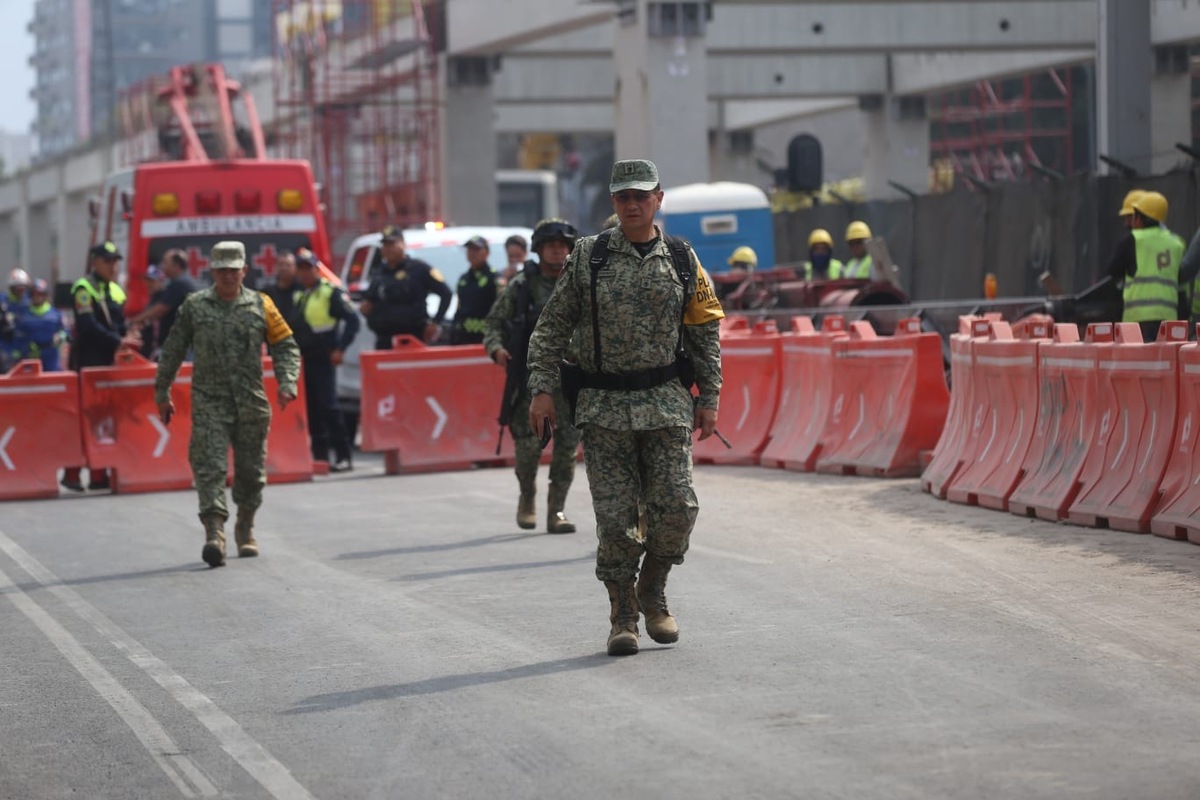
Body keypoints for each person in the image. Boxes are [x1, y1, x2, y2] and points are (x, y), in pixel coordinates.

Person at [527, 159, 724, 657]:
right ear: (613, 203)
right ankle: (623, 616)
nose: (632, 204)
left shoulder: (682, 258)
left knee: (677, 508)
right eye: (622, 197)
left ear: (659, 197)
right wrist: (542, 388)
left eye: (641, 195)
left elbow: (704, 331)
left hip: (666, 405)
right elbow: (551, 327)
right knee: (616, 522)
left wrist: (711, 397)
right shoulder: (588, 257)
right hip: (605, 407)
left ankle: (653, 590)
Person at [154, 241, 301, 568]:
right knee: (209, 468)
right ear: (213, 271)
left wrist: (287, 381)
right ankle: (214, 533)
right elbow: (174, 350)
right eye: (222, 270)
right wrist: (162, 392)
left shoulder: (261, 305)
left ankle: (245, 525)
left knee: (250, 474)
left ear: (244, 271)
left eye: (234, 269)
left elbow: (286, 345)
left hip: (251, 403)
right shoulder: (194, 306)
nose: (228, 276)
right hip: (210, 402)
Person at [484, 218, 583, 534]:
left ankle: (557, 511)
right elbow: (493, 324)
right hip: (531, 379)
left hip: (572, 379)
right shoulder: (522, 285)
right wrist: (497, 349)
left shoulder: (580, 281)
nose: (557, 251)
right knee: (528, 448)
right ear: (539, 250)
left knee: (567, 450)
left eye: (563, 246)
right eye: (551, 246)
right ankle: (527, 497)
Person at [63, 241, 141, 491]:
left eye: (116, 261)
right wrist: (119, 340)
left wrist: (128, 334)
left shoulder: (116, 291)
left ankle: (99, 475)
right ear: (94, 261)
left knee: (106, 418)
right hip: (89, 363)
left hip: (111, 363)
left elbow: (113, 324)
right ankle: (72, 473)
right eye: (108, 261)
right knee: (85, 419)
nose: (113, 266)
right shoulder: (83, 288)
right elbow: (87, 326)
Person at [291, 247, 359, 471]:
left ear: (316, 269)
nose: (304, 273)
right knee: (312, 410)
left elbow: (352, 321)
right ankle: (320, 458)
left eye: (308, 268)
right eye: (300, 269)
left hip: (324, 358)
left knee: (329, 407)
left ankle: (343, 455)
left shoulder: (330, 293)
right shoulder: (301, 296)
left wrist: (341, 348)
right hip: (306, 359)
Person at [1106, 191, 1186, 342]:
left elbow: (1113, 269)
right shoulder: (1177, 243)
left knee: (1138, 362)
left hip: (1137, 318)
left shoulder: (1133, 240)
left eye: (1134, 216)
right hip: (1169, 318)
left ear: (1142, 218)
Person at [359, 224, 452, 349]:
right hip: (384, 339)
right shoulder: (378, 273)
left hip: (412, 338)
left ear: (402, 244)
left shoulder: (418, 269)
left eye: (392, 244)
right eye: (385, 245)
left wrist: (435, 323)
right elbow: (369, 300)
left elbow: (446, 293)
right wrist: (365, 308)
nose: (388, 249)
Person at [127, 249, 200, 354]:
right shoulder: (177, 283)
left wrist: (135, 320)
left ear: (176, 265)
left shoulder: (180, 284)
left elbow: (161, 309)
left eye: (165, 262)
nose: (162, 265)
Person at [451, 235, 499, 345]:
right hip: (464, 338)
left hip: (486, 339)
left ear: (487, 253)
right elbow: (459, 307)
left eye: (477, 249)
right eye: (470, 249)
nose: (472, 253)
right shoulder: (463, 279)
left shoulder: (494, 278)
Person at [13, 278, 68, 370]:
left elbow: (65, 330)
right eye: (35, 294)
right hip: (30, 358)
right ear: (31, 295)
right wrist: (24, 349)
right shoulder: (22, 316)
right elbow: (17, 338)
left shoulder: (56, 315)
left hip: (51, 357)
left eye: (41, 294)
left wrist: (61, 335)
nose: (38, 297)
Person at [262, 250, 299, 322]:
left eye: (288, 265)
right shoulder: (268, 293)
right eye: (281, 264)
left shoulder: (302, 290)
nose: (284, 268)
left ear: (295, 268)